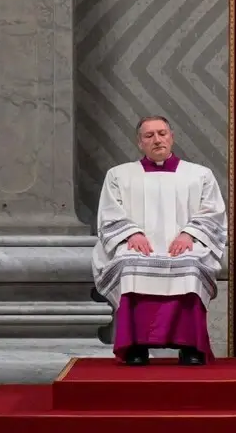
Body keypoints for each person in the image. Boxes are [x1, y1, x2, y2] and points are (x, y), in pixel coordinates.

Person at [92, 116, 227, 366]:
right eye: (149, 135)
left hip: (185, 245)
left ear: (171, 137)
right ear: (139, 143)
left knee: (191, 266)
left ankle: (191, 348)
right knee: (129, 264)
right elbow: (110, 212)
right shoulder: (119, 175)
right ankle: (136, 347)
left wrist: (190, 234)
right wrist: (131, 233)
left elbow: (212, 212)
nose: (157, 140)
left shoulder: (199, 174)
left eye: (162, 133)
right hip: (137, 245)